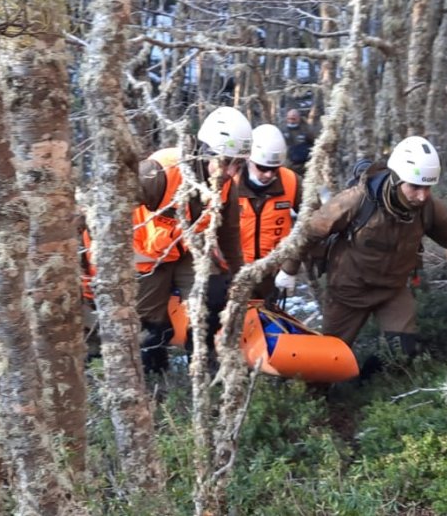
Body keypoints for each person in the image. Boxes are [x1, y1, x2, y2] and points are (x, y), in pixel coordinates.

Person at [275, 136, 447, 370]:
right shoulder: (356, 201)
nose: (422, 196)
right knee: (326, 362)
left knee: (402, 353)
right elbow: (309, 232)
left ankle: (367, 380)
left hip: (392, 291)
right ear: (396, 179)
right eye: (415, 187)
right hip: (349, 292)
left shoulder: (427, 208)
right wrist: (289, 269)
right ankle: (321, 389)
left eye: (427, 188)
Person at [133, 106, 252, 372]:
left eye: (240, 164)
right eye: (229, 162)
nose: (233, 172)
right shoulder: (159, 172)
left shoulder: (226, 185)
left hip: (187, 250)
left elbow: (229, 235)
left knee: (214, 294)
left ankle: (201, 364)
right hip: (145, 254)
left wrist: (238, 276)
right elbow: (109, 206)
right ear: (206, 152)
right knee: (151, 327)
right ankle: (154, 377)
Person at [237, 124, 303, 299]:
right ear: (248, 159)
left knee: (267, 315)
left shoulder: (292, 182)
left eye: (274, 169)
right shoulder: (230, 182)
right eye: (262, 167)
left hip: (272, 273)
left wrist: (290, 269)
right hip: (235, 271)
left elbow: (311, 225)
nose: (268, 174)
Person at [281, 108, 318, 176]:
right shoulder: (282, 128)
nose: (291, 121)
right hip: (286, 163)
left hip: (301, 165)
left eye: (293, 119)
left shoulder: (306, 129)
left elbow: (315, 143)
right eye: (289, 118)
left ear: (299, 118)